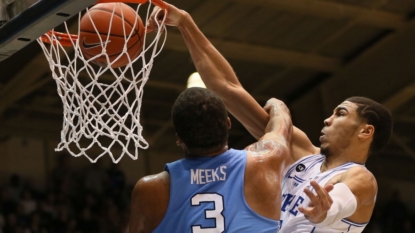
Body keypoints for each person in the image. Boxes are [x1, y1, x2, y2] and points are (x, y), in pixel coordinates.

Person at [148, 3, 393, 233]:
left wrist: (324, 212)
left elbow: (340, 202)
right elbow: (226, 88)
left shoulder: (360, 177)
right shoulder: (300, 151)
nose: (327, 120)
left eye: (340, 114)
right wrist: (185, 23)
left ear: (365, 131)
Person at [128, 87, 295, 233]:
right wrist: (275, 104)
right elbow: (282, 124)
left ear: (179, 139)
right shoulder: (266, 161)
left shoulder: (149, 190)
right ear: (228, 123)